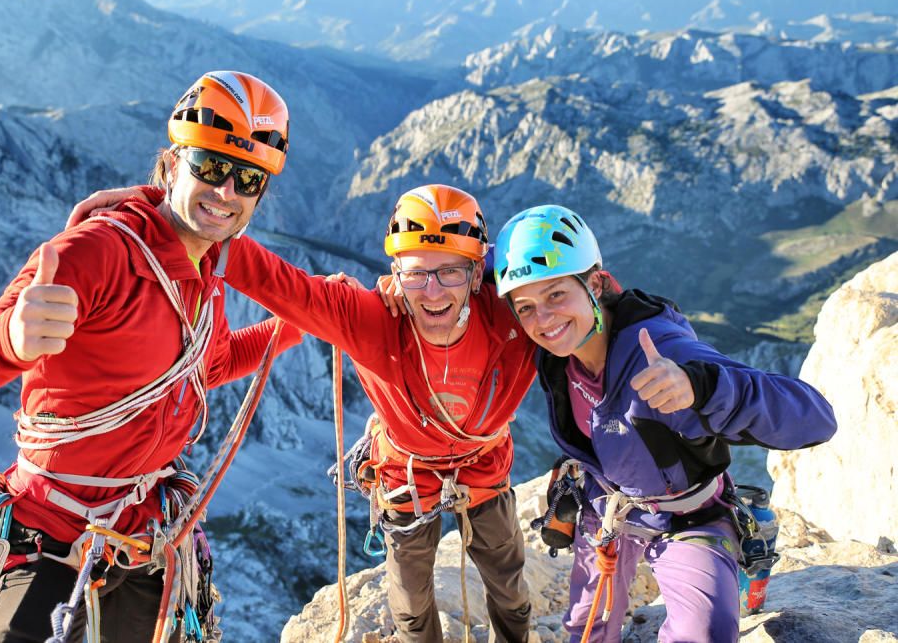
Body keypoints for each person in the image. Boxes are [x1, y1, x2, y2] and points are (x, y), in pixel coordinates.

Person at [0, 71, 305, 643]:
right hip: (52, 537)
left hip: (145, 537)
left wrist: (302, 324)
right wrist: (10, 341)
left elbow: (208, 365)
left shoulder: (207, 275)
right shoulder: (97, 252)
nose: (226, 192)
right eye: (212, 167)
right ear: (173, 165)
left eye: (247, 179)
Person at [72, 183, 536, 642]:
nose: (431, 292)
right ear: (395, 271)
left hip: (482, 467)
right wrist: (164, 204)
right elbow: (265, 275)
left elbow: (581, 297)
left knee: (509, 587)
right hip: (407, 476)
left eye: (450, 273)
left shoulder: (516, 316)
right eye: (416, 273)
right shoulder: (370, 318)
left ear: (478, 276)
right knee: (412, 608)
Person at [491, 204, 838, 643]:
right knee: (585, 628)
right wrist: (407, 279)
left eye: (557, 295)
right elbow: (465, 273)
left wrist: (702, 388)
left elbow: (815, 418)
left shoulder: (665, 349)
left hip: (687, 519)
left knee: (704, 635)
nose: (543, 320)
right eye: (525, 307)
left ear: (595, 283)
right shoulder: (558, 359)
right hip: (607, 509)